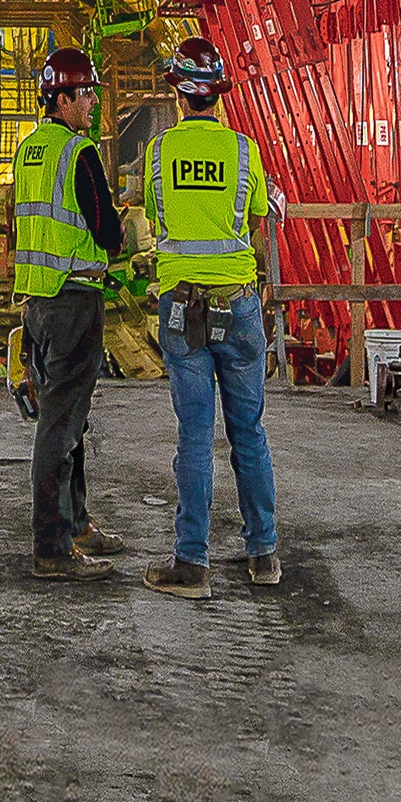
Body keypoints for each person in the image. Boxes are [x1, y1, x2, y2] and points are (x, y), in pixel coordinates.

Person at [143, 33, 281, 595]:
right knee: (248, 431)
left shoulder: (158, 154)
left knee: (196, 436)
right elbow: (255, 216)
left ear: (178, 93)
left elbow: (158, 221)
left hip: (183, 310)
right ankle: (264, 554)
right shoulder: (244, 152)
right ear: (217, 96)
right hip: (240, 304)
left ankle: (192, 563)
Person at [9, 46, 125, 579]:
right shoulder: (79, 154)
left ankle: (77, 523)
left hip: (37, 300)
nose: (94, 100)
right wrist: (119, 235)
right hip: (75, 299)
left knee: (69, 416)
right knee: (59, 426)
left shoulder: (29, 149)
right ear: (63, 98)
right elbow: (106, 230)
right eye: (87, 92)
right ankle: (52, 547)